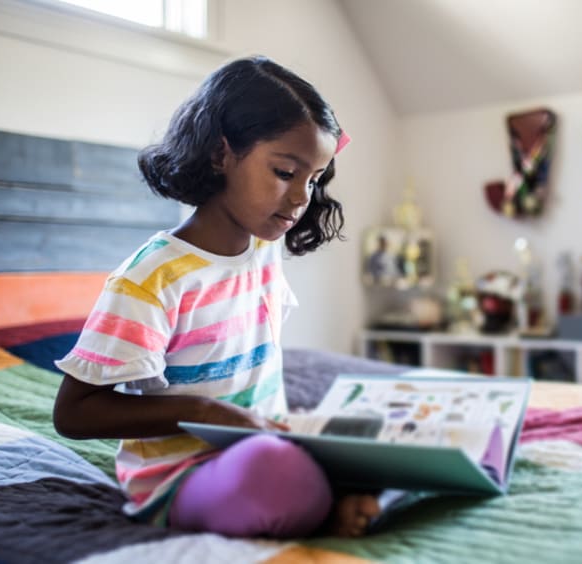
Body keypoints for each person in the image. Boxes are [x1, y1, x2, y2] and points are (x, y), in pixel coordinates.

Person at [52, 56, 380, 539]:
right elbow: (74, 412)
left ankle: (338, 492)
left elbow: (321, 145)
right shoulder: (151, 277)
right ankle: (329, 506)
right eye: (286, 172)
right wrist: (206, 413)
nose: (301, 198)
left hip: (262, 439)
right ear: (220, 154)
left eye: (312, 180)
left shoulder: (264, 250)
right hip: (182, 477)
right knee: (274, 471)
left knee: (376, 433)